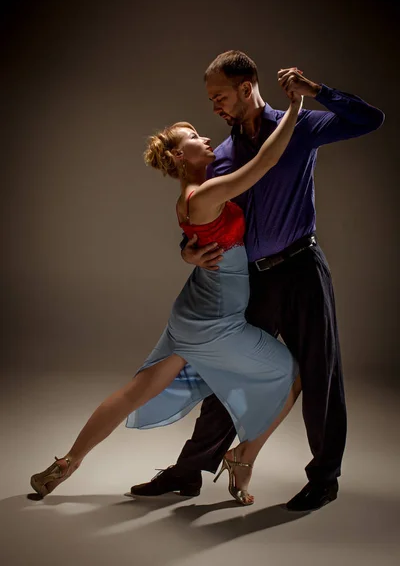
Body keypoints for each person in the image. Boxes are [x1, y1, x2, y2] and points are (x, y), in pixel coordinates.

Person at [129, 51, 385, 511]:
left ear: (247, 87)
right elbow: (199, 214)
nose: (214, 108)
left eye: (220, 96)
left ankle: (325, 477)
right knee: (227, 374)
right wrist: (185, 249)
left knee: (320, 373)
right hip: (253, 279)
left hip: (303, 268)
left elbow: (371, 119)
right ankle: (189, 472)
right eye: (211, 99)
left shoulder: (300, 126)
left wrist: (318, 93)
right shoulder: (222, 156)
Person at [30, 87, 304, 506]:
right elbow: (265, 162)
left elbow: (193, 236)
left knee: (134, 392)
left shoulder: (187, 200)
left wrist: (186, 253)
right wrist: (297, 108)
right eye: (194, 135)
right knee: (293, 375)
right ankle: (243, 457)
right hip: (215, 321)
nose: (206, 137)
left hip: (190, 311)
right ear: (179, 157)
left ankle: (68, 461)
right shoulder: (205, 195)